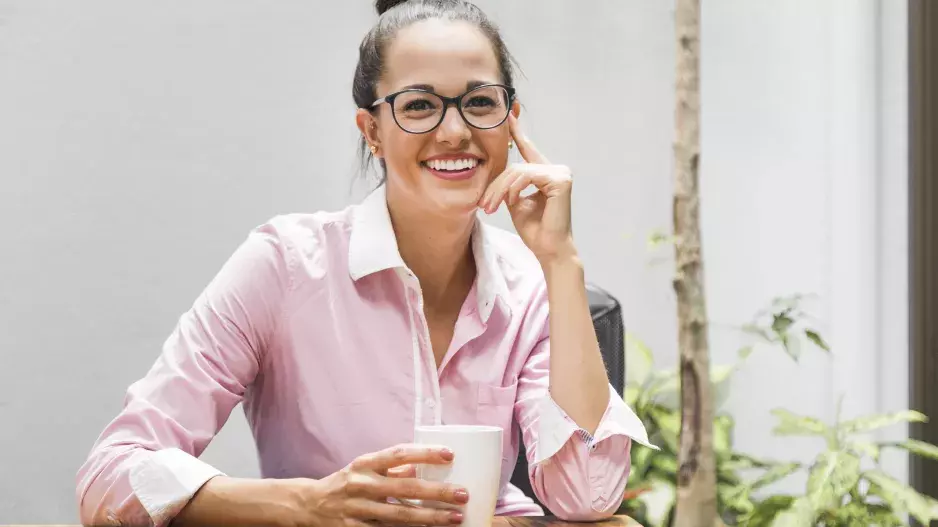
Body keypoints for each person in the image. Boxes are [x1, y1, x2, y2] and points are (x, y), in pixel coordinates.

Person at [76, 1, 653, 525]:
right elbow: (111, 478)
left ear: (511, 122)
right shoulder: (284, 266)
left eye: (480, 102)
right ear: (371, 130)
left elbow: (589, 496)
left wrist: (562, 260)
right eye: (420, 106)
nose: (454, 131)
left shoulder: (530, 287)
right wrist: (309, 504)